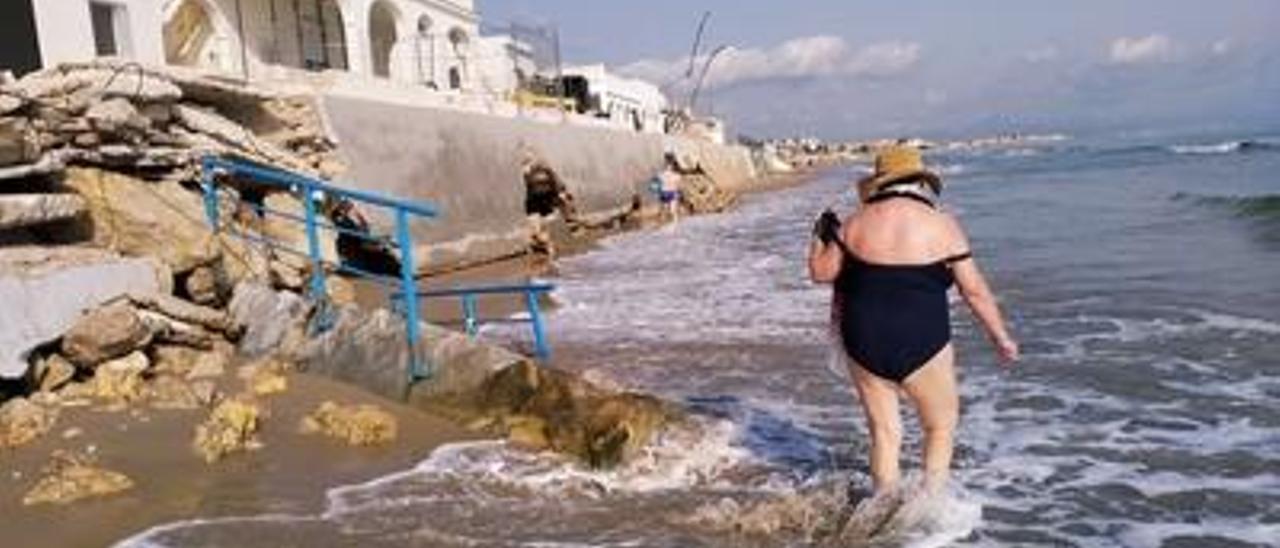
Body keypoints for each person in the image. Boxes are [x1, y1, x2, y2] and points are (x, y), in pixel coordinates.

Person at [807, 146, 1019, 495]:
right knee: (939, 426)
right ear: (920, 182)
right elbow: (974, 290)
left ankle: (883, 508)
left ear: (880, 183)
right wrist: (1000, 337)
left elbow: (820, 272)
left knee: (885, 433)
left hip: (864, 340)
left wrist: (817, 238)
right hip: (924, 340)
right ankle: (929, 508)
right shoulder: (942, 224)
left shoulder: (854, 223)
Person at [659, 152, 683, 223]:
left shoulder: (675, 172)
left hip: (671, 190)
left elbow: (678, 183)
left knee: (672, 210)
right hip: (667, 190)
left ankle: (674, 223)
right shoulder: (665, 172)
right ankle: (668, 222)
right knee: (667, 210)